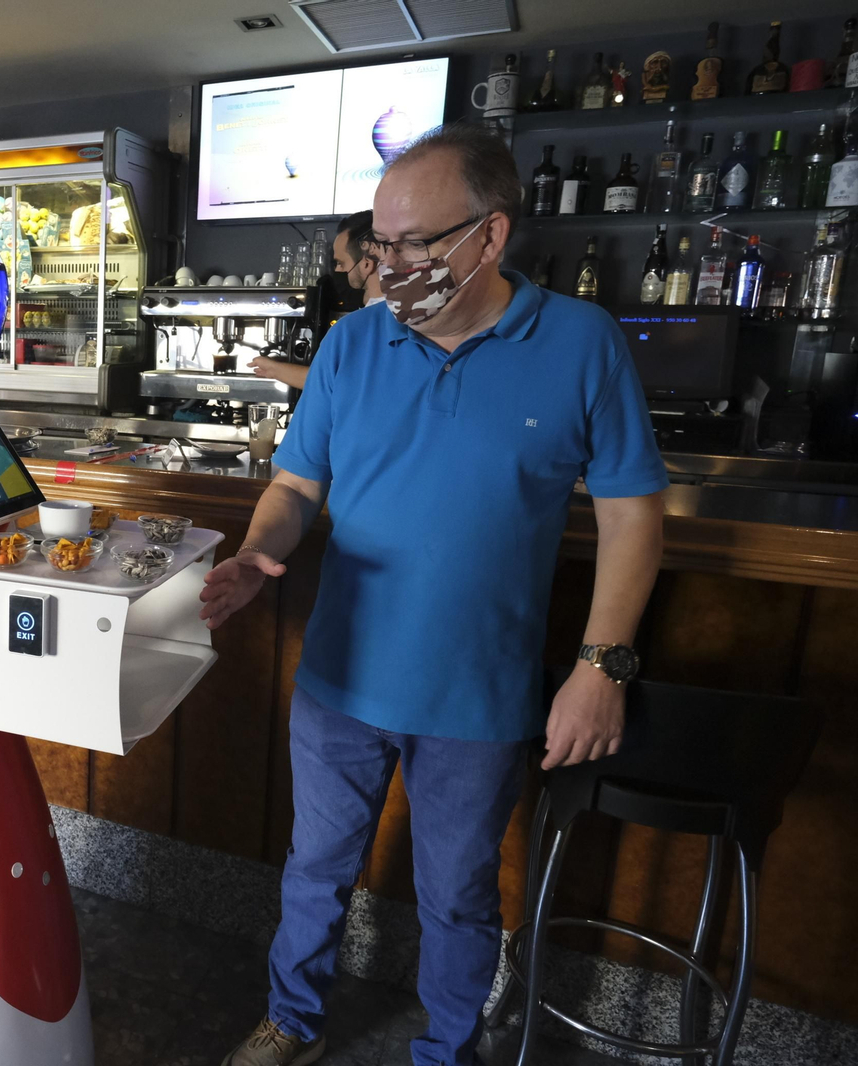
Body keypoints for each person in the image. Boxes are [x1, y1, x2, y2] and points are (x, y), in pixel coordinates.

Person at [205, 124, 667, 1066]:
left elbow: (631, 516)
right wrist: (258, 552)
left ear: (490, 238)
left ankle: (447, 1052)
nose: (390, 265)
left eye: (415, 244)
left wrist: (601, 666)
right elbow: (297, 488)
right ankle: (291, 1022)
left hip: (479, 694)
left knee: (458, 896)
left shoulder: (582, 343)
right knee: (314, 871)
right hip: (340, 675)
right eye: (381, 243)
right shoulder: (349, 346)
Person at [249, 212, 382, 388]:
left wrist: (274, 369)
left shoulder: (362, 326)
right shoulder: (399, 318)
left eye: (341, 263)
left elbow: (333, 382)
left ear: (366, 264)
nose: (337, 271)